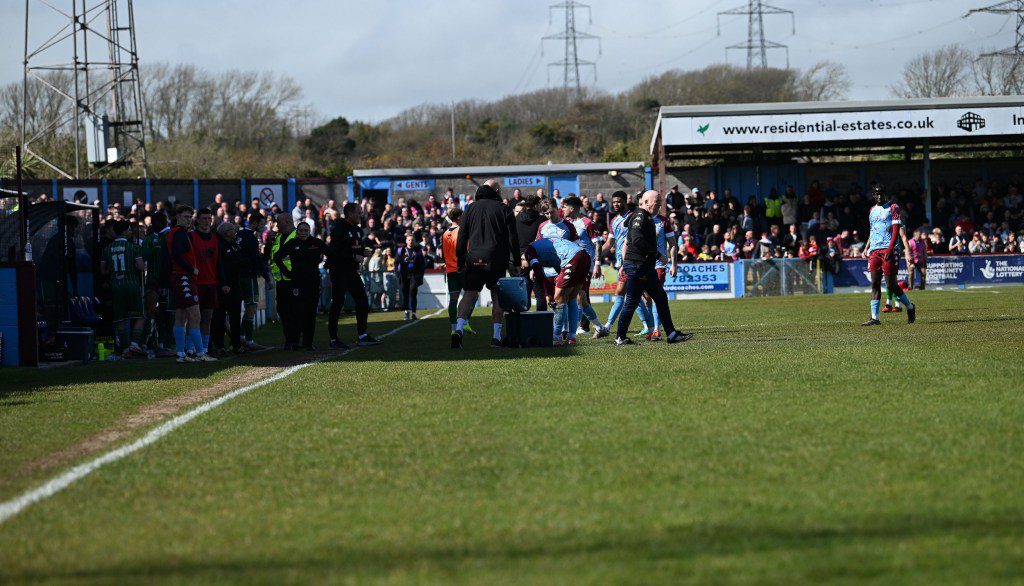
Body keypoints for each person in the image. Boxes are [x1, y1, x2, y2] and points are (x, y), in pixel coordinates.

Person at [614, 190, 693, 345]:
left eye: (660, 202)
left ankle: (671, 334)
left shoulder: (641, 216)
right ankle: (620, 337)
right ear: (646, 202)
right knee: (631, 301)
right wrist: (657, 254)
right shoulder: (640, 216)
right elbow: (636, 239)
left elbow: (626, 225)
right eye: (656, 202)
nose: (659, 205)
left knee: (660, 298)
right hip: (638, 266)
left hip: (644, 266)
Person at [453, 180, 520, 349]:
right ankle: (496, 337)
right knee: (497, 297)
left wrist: (460, 261)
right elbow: (513, 239)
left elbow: (461, 238)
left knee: (469, 294)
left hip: (474, 258)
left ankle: (458, 329)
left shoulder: (470, 209)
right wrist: (517, 262)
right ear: (496, 191)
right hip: (497, 259)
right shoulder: (504, 209)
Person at [325, 202, 381, 349]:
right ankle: (333, 338)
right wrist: (353, 257)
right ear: (349, 213)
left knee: (362, 299)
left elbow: (355, 247)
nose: (361, 215)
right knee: (338, 302)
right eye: (358, 212)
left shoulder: (357, 230)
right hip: (338, 270)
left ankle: (362, 335)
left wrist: (363, 252)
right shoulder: (338, 228)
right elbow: (334, 252)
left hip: (351, 270)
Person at [166, 206, 216, 362]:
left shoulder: (178, 233)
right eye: (186, 217)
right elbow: (176, 254)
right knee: (196, 315)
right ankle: (200, 353)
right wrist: (191, 269)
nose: (189, 220)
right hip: (183, 277)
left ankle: (181, 354)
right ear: (178, 217)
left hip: (180, 277)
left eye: (190, 217)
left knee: (180, 316)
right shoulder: (179, 233)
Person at [861, 185, 916, 326]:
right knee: (875, 283)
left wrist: (890, 249)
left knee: (891, 285)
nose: (880, 196)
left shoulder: (893, 207)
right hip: (874, 250)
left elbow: (896, 229)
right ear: (873, 195)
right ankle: (875, 318)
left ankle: (909, 306)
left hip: (888, 249)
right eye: (877, 194)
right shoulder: (872, 210)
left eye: (882, 194)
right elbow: (873, 230)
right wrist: (867, 247)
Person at [601, 191, 654, 333]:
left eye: (618, 201)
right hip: (621, 262)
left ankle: (607, 327)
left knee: (621, 292)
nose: (616, 204)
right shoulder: (614, 221)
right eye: (614, 202)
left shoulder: (635, 217)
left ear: (625, 201)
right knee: (634, 294)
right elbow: (610, 242)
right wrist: (596, 255)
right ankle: (650, 325)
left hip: (633, 260)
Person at [523, 235, 590, 346]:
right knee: (572, 297)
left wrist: (545, 292)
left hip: (573, 258)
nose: (523, 266)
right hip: (584, 256)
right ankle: (571, 337)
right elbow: (558, 268)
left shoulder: (529, 252)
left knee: (558, 298)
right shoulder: (543, 248)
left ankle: (556, 336)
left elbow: (537, 269)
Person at [562, 196, 609, 338]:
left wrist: (597, 264)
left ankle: (573, 331)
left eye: (564, 207)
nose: (562, 209)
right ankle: (598, 327)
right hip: (572, 264)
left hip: (586, 265)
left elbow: (598, 244)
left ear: (573, 208)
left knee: (579, 296)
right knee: (577, 298)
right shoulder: (567, 224)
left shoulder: (587, 223)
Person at [274, 221, 325, 350]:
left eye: (305, 230)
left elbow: (331, 253)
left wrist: (327, 264)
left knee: (311, 313)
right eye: (301, 230)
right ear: (297, 232)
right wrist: (287, 273)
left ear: (309, 231)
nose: (303, 233)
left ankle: (308, 343)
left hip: (313, 282)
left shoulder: (316, 243)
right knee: (296, 312)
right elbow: (277, 257)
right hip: (296, 283)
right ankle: (295, 342)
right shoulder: (292, 243)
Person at [100, 220, 147, 357]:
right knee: (140, 316)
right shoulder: (133, 247)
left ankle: (126, 349)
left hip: (116, 287)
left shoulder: (107, 249)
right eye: (129, 230)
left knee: (120, 318)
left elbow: (103, 271)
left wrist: (114, 271)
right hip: (132, 285)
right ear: (125, 231)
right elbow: (140, 267)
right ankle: (135, 343)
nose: (131, 231)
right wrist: (143, 266)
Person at [189, 208, 228, 354]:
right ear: (197, 220)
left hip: (211, 283)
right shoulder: (191, 237)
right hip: (196, 282)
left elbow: (218, 263)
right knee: (194, 317)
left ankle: (204, 347)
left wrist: (223, 282)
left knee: (207, 316)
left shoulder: (214, 238)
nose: (206, 221)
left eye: (209, 218)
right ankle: (191, 347)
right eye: (204, 218)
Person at [140, 211, 175, 357]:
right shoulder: (150, 239)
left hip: (166, 281)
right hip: (154, 282)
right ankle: (145, 343)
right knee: (152, 313)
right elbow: (143, 256)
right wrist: (154, 250)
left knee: (166, 313)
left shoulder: (169, 236)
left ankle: (165, 344)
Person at [237, 211, 272, 350]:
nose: (262, 227)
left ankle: (241, 338)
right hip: (249, 276)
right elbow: (256, 259)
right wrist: (267, 277)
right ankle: (248, 341)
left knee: (248, 307)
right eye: (261, 224)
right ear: (255, 223)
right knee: (251, 307)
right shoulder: (250, 238)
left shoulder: (239, 235)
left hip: (240, 275)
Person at [210, 222, 243, 356]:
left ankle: (236, 345)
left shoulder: (234, 245)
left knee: (235, 318)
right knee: (219, 317)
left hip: (235, 286)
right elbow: (221, 266)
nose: (235, 230)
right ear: (224, 232)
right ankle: (219, 346)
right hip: (222, 286)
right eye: (231, 229)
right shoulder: (218, 245)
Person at [442, 207, 474, 334]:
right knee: (472, 295)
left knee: (453, 299)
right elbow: (467, 250)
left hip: (450, 270)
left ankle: (453, 329)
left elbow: (444, 254)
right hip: (463, 268)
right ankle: (465, 322)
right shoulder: (462, 231)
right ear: (459, 217)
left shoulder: (445, 234)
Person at [267, 212, 297, 347]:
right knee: (282, 310)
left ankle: (295, 338)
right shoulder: (277, 238)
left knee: (295, 310)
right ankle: (289, 338)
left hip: (295, 280)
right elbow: (271, 256)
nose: (276, 225)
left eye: (279, 222)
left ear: (287, 222)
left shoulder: (298, 236)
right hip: (281, 281)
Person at [515, 195, 545, 309]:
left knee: (524, 294)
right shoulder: (542, 220)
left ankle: (523, 323)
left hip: (521, 259)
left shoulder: (516, 219)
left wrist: (521, 257)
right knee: (540, 294)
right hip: (537, 258)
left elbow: (513, 240)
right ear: (536, 205)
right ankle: (542, 323)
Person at [396, 232, 426, 320]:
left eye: (412, 240)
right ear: (406, 241)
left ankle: (413, 313)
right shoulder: (401, 250)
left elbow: (422, 264)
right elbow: (396, 262)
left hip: (414, 276)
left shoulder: (417, 250)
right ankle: (406, 312)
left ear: (414, 241)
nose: (410, 241)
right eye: (409, 240)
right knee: (405, 295)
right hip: (404, 276)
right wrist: (397, 274)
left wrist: (420, 275)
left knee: (413, 293)